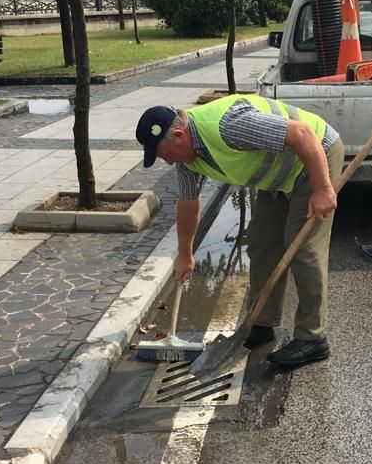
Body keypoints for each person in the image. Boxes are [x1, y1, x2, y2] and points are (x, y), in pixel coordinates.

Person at [135, 95, 344, 367]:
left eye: (165, 155)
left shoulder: (228, 125)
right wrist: (185, 254)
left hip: (315, 155)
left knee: (302, 247)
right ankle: (261, 322)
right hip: (279, 176)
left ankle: (312, 338)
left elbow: (302, 133)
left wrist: (323, 189)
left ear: (178, 135)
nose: (168, 162)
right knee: (261, 242)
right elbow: (188, 203)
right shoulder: (187, 159)